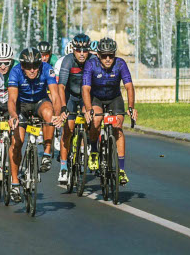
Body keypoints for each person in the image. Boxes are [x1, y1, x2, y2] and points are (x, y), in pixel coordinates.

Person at [6, 47, 62, 201]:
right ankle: (15, 183)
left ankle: (47, 152)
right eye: (27, 67)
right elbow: (11, 99)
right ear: (22, 65)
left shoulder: (47, 69)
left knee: (49, 114)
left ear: (40, 64)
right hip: (21, 105)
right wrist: (13, 116)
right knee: (18, 143)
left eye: (35, 66)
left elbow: (55, 96)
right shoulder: (15, 71)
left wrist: (57, 116)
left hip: (39, 102)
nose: (31, 70)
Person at [82, 37, 136, 186]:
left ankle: (121, 170)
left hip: (114, 98)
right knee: (96, 120)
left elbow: (129, 86)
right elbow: (85, 89)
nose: (107, 59)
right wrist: (88, 110)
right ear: (98, 55)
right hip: (96, 98)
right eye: (104, 55)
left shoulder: (120, 64)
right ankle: (93, 150)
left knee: (118, 127)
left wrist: (131, 108)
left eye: (111, 55)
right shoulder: (91, 64)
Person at [56, 33, 93, 184]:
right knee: (68, 129)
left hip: (86, 96)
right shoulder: (68, 61)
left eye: (85, 50)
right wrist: (63, 106)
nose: (82, 54)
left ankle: (88, 145)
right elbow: (61, 86)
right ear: (74, 50)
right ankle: (63, 168)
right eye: (79, 50)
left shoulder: (93, 61)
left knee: (91, 117)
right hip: (70, 96)